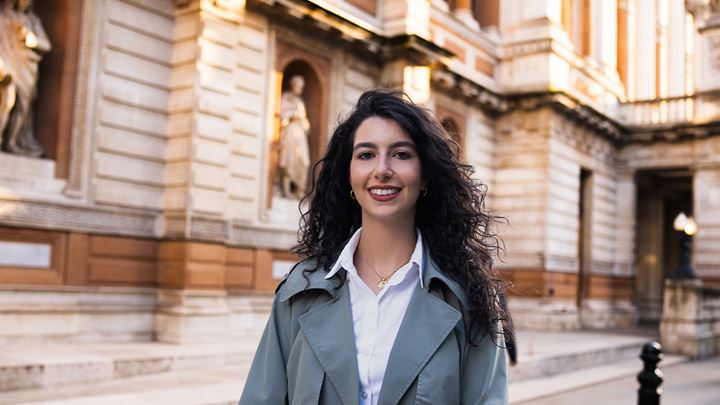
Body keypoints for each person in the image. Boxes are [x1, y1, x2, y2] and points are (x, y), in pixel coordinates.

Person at [240, 89, 511, 404]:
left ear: (424, 176)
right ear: (349, 175)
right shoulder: (299, 292)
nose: (382, 169)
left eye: (401, 154)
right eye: (366, 154)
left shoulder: (468, 297)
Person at [0, 0, 50, 157]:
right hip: (7, 65)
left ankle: (12, 141)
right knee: (8, 101)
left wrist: (32, 40)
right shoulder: (3, 17)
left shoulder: (32, 21)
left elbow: (46, 44)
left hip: (26, 68)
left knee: (23, 105)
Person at [277, 75, 311, 199]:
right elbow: (281, 115)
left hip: (300, 134)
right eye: (298, 86)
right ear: (293, 85)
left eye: (302, 87)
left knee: (304, 162)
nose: (300, 89)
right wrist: (293, 114)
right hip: (290, 132)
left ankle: (299, 191)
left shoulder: (300, 102)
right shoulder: (286, 98)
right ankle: (286, 190)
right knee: (288, 160)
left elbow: (304, 119)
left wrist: (305, 123)